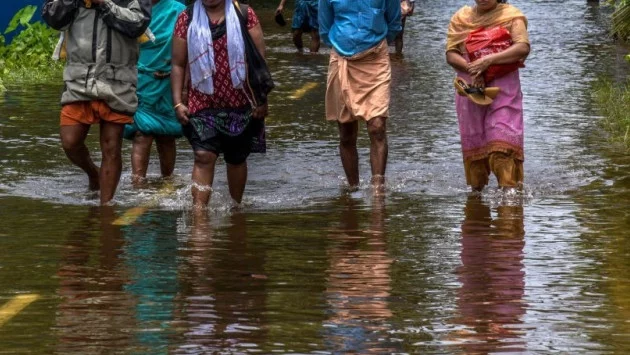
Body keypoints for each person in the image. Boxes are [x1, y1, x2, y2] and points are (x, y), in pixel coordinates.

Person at [42, 0, 151, 205]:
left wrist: (104, 4)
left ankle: (105, 208)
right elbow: (53, 17)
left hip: (118, 81)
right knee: (70, 142)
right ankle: (94, 174)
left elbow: (138, 24)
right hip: (78, 79)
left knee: (111, 147)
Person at [171, 0, 268, 208]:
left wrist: (261, 99)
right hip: (202, 102)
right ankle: (199, 213)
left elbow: (259, 60)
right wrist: (178, 102)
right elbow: (178, 64)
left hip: (241, 103)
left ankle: (235, 208)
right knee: (203, 155)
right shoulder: (186, 19)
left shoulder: (245, 15)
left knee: (236, 158)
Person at [445, 0, 530, 192]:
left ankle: (509, 200)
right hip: (470, 88)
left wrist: (488, 61)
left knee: (502, 146)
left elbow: (522, 47)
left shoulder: (511, 16)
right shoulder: (461, 18)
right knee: (475, 150)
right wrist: (474, 70)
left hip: (503, 88)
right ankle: (477, 202)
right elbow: (451, 54)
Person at [318, 0, 401, 193]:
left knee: (377, 126)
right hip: (341, 59)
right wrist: (344, 47)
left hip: (376, 59)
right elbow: (324, 28)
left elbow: (394, 24)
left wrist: (372, 47)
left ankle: (378, 190)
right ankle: (352, 188)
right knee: (346, 133)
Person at [124, 0, 186, 186]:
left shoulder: (179, 11)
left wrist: (185, 88)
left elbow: (189, 49)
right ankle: (138, 185)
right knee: (141, 134)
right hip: (141, 81)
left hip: (171, 83)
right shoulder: (132, 8)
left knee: (167, 136)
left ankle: (167, 182)